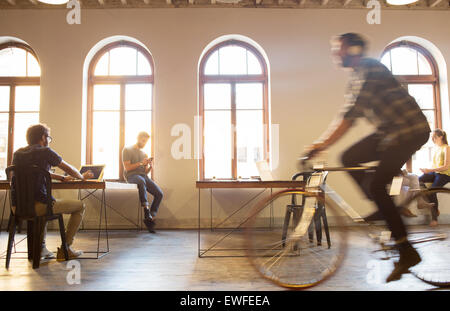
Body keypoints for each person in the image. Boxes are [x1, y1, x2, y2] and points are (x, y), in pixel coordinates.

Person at [305, 33, 431, 283]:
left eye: (338, 49)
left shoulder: (369, 69)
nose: (335, 54)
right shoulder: (357, 75)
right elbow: (348, 113)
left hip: (409, 131)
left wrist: (319, 145)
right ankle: (383, 206)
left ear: (353, 49)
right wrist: (322, 144)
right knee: (349, 156)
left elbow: (349, 118)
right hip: (389, 133)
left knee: (376, 185)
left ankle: (406, 251)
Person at [11, 124, 94, 261]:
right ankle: (65, 249)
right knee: (79, 206)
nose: (48, 140)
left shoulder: (17, 154)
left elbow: (35, 171)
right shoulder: (45, 151)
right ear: (43, 137)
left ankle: (40, 248)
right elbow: (69, 169)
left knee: (47, 201)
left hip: (17, 207)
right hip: (38, 206)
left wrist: (61, 178)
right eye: (48, 137)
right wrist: (81, 176)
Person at [122, 131, 163, 233]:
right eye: (143, 141)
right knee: (141, 181)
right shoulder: (127, 150)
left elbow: (144, 172)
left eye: (146, 142)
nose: (144, 143)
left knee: (159, 194)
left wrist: (149, 166)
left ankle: (150, 218)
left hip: (143, 176)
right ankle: (146, 211)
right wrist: (141, 162)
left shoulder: (144, 153)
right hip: (132, 176)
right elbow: (127, 168)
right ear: (138, 138)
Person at [418, 129, 450, 227]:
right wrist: (426, 170)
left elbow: (446, 166)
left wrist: (429, 170)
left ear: (441, 137)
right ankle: (435, 208)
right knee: (418, 180)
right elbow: (435, 166)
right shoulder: (437, 149)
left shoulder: (447, 148)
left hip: (445, 174)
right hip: (436, 173)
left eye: (434, 137)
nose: (433, 139)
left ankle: (434, 219)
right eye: (432, 137)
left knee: (432, 190)